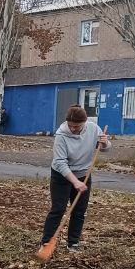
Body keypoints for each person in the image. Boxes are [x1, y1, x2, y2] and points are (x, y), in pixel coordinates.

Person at [42, 105, 109, 252]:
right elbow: (60, 163)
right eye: (70, 125)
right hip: (61, 175)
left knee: (79, 210)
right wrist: (75, 182)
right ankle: (46, 243)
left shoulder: (93, 128)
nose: (73, 128)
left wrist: (105, 142)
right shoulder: (61, 135)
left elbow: (105, 148)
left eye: (77, 126)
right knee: (58, 209)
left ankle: (73, 243)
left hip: (83, 174)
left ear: (84, 122)